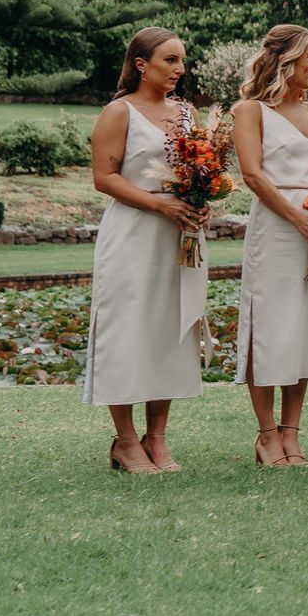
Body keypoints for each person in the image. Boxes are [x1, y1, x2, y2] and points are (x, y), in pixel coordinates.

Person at [84, 27, 209, 474]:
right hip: (134, 234)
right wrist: (161, 205)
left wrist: (201, 199)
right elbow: (105, 177)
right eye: (170, 60)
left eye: (182, 61)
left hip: (180, 237)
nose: (179, 69)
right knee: (127, 330)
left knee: (169, 330)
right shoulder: (119, 112)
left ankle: (157, 438)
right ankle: (125, 440)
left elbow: (200, 169)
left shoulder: (187, 114)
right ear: (141, 65)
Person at [232, 24, 308, 468]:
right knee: (269, 327)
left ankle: (292, 433)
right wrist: (298, 219)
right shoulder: (250, 110)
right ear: (287, 59)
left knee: (305, 328)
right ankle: (266, 434)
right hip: (276, 229)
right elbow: (253, 175)